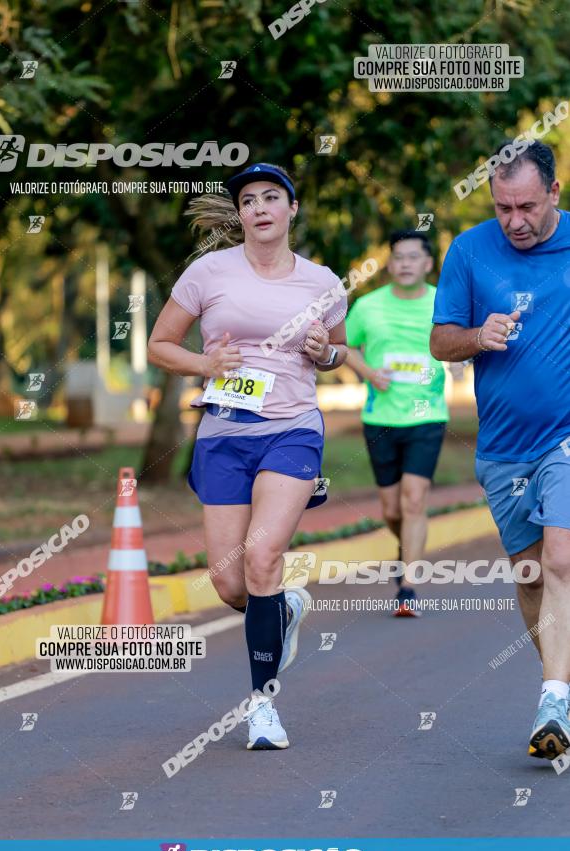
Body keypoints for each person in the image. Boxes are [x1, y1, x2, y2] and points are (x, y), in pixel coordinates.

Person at [147, 162, 348, 750]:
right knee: (231, 584)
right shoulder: (209, 272)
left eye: (271, 197)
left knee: (262, 555)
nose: (259, 207)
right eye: (248, 200)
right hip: (224, 432)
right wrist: (205, 364)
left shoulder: (323, 283)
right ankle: (281, 610)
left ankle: (263, 706)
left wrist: (325, 352)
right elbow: (161, 344)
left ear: (291, 209)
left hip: (291, 428)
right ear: (240, 215)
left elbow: (338, 352)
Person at [430, 141, 570, 760]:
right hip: (503, 449)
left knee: (562, 559)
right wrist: (476, 338)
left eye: (527, 207)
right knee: (533, 575)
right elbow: (439, 341)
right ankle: (562, 686)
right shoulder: (468, 251)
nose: (515, 220)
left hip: (565, 439)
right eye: (503, 206)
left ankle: (552, 701)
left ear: (555, 195)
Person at [345, 230, 454, 617]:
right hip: (380, 417)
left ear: (427, 264)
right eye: (398, 257)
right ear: (389, 264)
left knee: (413, 499)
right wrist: (369, 372)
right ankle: (405, 548)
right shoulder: (368, 306)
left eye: (413, 257)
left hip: (427, 415)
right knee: (392, 509)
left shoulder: (444, 302)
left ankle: (408, 587)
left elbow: (460, 343)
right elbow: (343, 346)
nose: (405, 263)